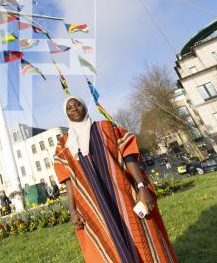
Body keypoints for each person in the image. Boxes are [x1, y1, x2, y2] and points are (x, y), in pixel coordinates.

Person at [54, 96, 177, 263]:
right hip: (95, 206)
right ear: (65, 114)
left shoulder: (105, 128)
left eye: (78, 105)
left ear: (85, 107)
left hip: (124, 196)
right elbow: (68, 181)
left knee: (141, 236)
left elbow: (128, 157)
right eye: (69, 108)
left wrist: (142, 187)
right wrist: (73, 211)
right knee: (110, 245)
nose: (74, 108)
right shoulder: (64, 146)